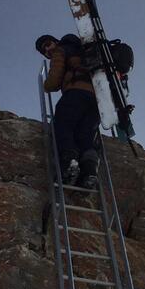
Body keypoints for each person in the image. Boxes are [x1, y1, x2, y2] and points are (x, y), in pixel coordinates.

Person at [37, 33, 100, 189]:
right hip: (98, 100)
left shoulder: (61, 50)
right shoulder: (83, 50)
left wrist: (46, 85)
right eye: (44, 49)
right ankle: (89, 172)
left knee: (62, 125)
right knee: (85, 135)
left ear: (56, 41)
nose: (48, 49)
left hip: (76, 93)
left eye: (48, 44)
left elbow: (53, 82)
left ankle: (69, 163)